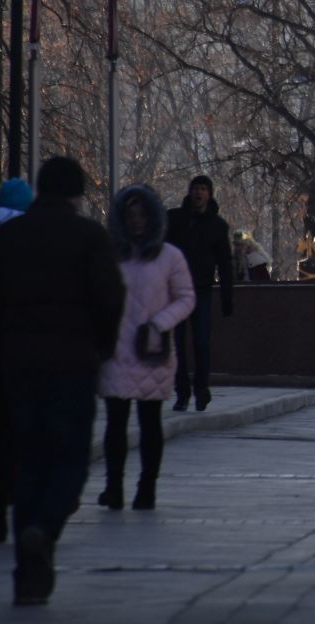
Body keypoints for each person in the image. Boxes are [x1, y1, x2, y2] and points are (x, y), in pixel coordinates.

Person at [0, 156, 125, 606]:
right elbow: (110, 298)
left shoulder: (9, 237)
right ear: (77, 192)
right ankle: (44, 528)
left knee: (31, 462)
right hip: (71, 366)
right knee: (68, 462)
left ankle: (28, 576)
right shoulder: (89, 237)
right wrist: (100, 347)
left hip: (19, 366)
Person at [97, 185, 195, 512]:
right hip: (115, 349)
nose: (137, 221)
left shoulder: (170, 257)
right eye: (130, 215)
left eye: (142, 215)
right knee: (115, 422)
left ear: (153, 218)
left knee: (150, 422)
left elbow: (186, 298)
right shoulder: (111, 255)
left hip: (151, 350)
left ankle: (146, 488)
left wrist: (160, 323)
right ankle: (113, 487)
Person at [166, 174, 234, 412]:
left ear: (209, 194)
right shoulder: (174, 219)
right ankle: (182, 392)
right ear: (190, 192)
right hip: (176, 291)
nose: (198, 193)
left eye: (203, 189)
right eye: (195, 188)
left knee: (202, 342)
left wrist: (227, 296)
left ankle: (202, 388)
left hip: (202, 290)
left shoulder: (217, 226)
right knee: (178, 343)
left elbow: (225, 263)